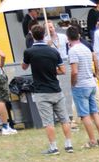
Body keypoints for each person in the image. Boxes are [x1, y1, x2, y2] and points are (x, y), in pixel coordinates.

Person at [22, 24, 73, 152]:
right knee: (64, 119)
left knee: (48, 122)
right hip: (56, 89)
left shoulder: (29, 52)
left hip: (41, 91)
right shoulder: (53, 51)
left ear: (33, 36)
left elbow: (24, 67)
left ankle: (53, 147)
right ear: (44, 34)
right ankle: (68, 145)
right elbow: (62, 70)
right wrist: (51, 69)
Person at [68, 26, 99, 146]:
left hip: (81, 84)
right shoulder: (85, 48)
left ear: (68, 38)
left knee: (84, 114)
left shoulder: (73, 51)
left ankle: (92, 140)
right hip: (91, 83)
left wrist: (73, 83)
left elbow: (74, 71)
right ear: (79, 35)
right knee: (94, 111)